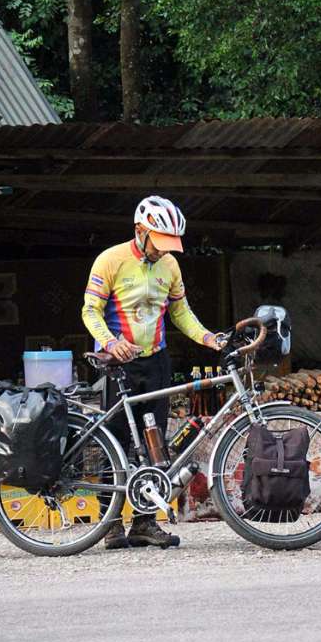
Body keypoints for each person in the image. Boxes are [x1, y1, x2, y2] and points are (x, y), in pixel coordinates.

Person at [81, 196, 224, 549]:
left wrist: (208, 338)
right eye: (159, 242)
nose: (163, 250)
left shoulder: (170, 266)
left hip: (156, 361)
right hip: (118, 365)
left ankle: (144, 522)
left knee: (155, 442)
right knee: (115, 442)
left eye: (169, 244)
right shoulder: (110, 260)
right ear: (140, 231)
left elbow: (181, 313)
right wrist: (110, 342)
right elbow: (90, 311)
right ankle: (109, 525)